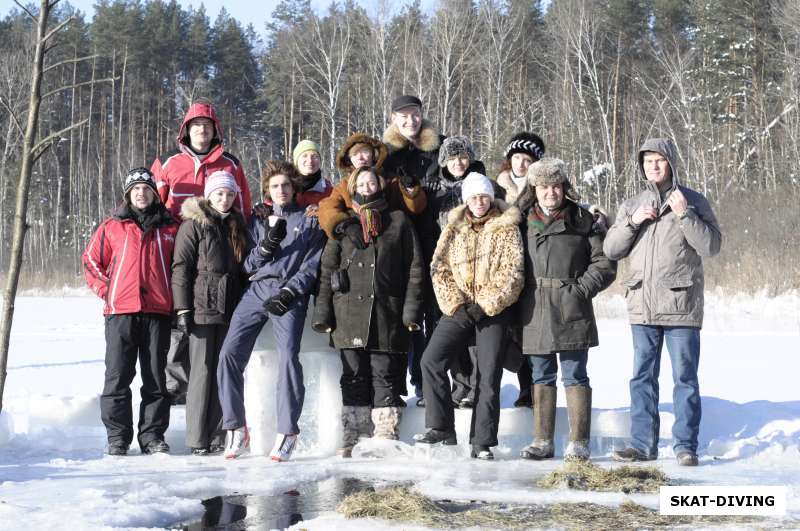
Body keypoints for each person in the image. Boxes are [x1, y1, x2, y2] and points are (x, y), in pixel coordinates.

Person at [604, 138, 721, 466]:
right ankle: (642, 445)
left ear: (670, 162)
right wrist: (633, 221)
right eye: (647, 162)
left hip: (680, 305)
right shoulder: (632, 204)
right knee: (642, 376)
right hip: (642, 304)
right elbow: (612, 249)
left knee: (684, 377)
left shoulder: (693, 201)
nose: (653, 166)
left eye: (659, 160)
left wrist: (685, 215)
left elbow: (710, 246)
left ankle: (685, 447)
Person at [216, 160, 326, 461]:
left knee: (288, 357)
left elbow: (313, 263)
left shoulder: (309, 219)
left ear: (294, 189)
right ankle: (235, 426)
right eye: (275, 186)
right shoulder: (258, 219)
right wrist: (266, 245)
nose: (281, 190)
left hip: (290, 292)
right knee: (228, 354)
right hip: (258, 288)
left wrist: (292, 290)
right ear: (268, 191)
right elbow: (248, 265)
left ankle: (288, 430)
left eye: (286, 186)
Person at [313, 167, 424, 457]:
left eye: (371, 180)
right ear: (353, 189)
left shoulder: (398, 221)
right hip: (347, 313)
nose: (366, 185)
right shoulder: (342, 226)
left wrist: (411, 311)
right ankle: (354, 435)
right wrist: (322, 314)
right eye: (360, 182)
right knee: (352, 376)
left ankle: (385, 435)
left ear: (380, 184)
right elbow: (327, 272)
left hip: (386, 311)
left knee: (383, 374)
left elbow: (415, 268)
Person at [414, 172, 524, 460]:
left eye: (484, 196)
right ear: (466, 200)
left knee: (487, 376)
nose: (479, 201)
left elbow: (513, 274)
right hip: (459, 308)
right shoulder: (453, 228)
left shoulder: (506, 228)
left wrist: (484, 306)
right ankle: (441, 427)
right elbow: (439, 269)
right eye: (473, 196)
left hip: (493, 311)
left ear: (491, 197)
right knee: (431, 360)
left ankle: (482, 441)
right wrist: (456, 305)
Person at [150, 101, 253, 405]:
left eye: (207, 126)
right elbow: (151, 204)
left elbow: (243, 208)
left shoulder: (230, 164)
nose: (202, 131)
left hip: (218, 257)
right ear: (186, 130)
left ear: (215, 131)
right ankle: (178, 401)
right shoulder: (168, 163)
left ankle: (213, 409)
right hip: (176, 253)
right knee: (179, 332)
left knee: (213, 335)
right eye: (196, 126)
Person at [515, 158, 616, 461]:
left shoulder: (583, 220)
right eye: (544, 187)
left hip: (572, 306)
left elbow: (605, 262)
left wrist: (581, 290)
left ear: (564, 188)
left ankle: (578, 443)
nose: (551, 193)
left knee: (575, 374)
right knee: (541, 375)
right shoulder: (520, 222)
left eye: (556, 186)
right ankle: (543, 441)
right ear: (535, 189)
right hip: (534, 308)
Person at [82, 168, 178, 456]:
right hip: (120, 313)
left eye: (146, 188)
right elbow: (91, 262)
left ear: (154, 193)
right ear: (128, 194)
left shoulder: (170, 227)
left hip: (157, 312)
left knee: (156, 378)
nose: (141, 193)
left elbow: (181, 268)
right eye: (135, 189)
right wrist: (108, 291)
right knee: (117, 376)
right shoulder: (112, 226)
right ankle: (117, 437)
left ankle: (151, 437)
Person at [171, 171, 249, 456]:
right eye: (219, 193)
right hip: (201, 308)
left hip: (230, 308)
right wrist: (182, 308)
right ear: (208, 195)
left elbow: (244, 267)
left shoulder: (237, 225)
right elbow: (181, 268)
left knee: (222, 372)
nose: (225, 199)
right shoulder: (193, 225)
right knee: (201, 372)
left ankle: (218, 435)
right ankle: (197, 438)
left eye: (229, 194)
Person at [494, 132, 546, 408]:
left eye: (528, 159)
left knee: (531, 331)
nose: (522, 164)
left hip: (534, 268)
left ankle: (530, 389)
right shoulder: (496, 187)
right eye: (517, 158)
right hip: (502, 269)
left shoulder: (543, 189)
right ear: (509, 160)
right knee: (504, 332)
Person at [317, 132, 427, 240]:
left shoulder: (391, 181)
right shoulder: (344, 185)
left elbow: (416, 208)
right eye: (354, 154)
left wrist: (411, 189)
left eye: (365, 152)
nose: (360, 157)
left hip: (390, 240)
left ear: (374, 155)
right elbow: (327, 207)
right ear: (349, 159)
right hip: (357, 247)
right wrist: (345, 225)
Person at [291, 139, 333, 214]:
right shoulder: (287, 186)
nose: (310, 160)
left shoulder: (329, 190)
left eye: (314, 156)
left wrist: (322, 211)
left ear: (320, 161)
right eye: (304, 156)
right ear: (296, 161)